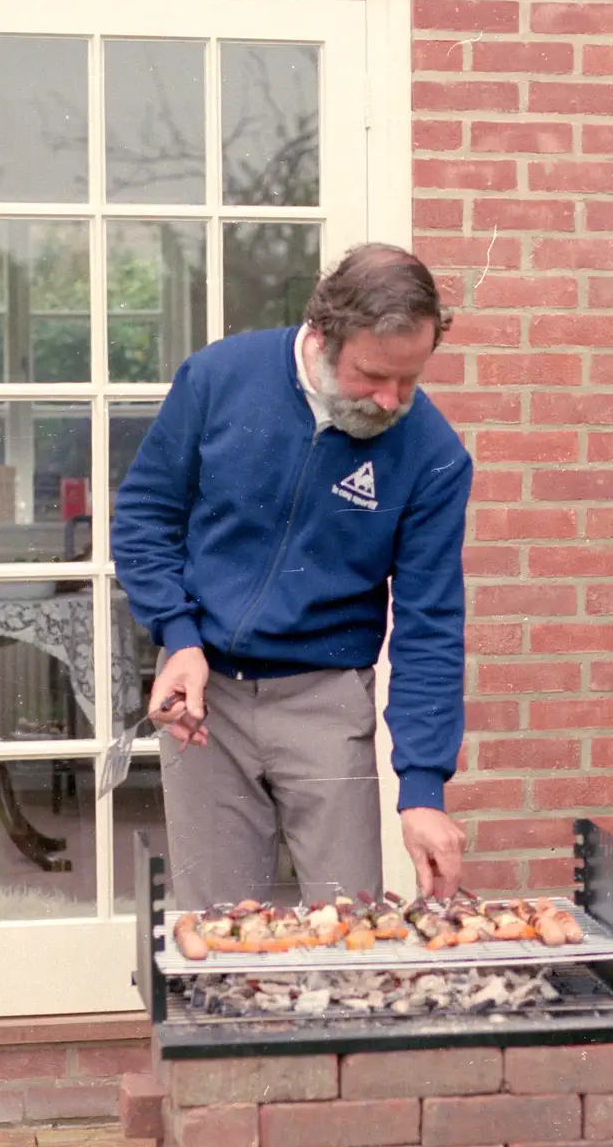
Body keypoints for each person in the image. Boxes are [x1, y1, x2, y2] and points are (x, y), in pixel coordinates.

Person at [111, 242, 472, 910]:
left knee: (352, 929)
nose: (392, 400)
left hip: (327, 701)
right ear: (326, 335)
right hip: (205, 694)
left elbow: (431, 626)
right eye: (373, 375)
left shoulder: (433, 454)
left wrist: (422, 789)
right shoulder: (220, 378)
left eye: (410, 378)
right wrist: (179, 635)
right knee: (217, 935)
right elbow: (144, 516)